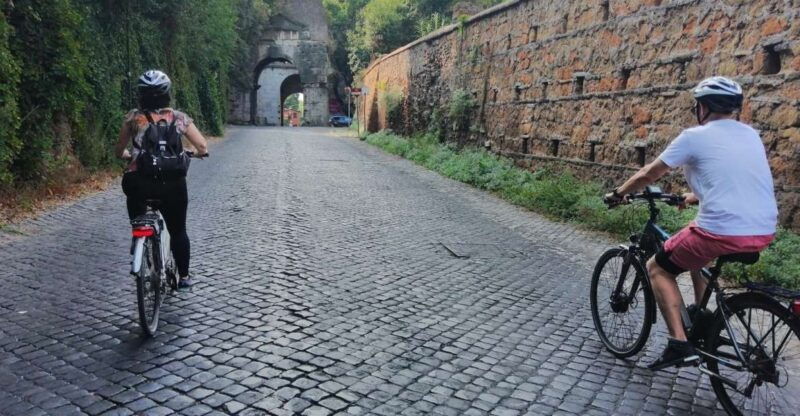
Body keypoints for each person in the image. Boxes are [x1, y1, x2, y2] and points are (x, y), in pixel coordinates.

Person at [604, 76, 778, 370]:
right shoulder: (750, 135)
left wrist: (619, 193)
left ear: (704, 107)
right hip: (762, 230)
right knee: (695, 251)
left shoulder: (694, 137)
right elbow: (732, 179)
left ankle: (679, 344)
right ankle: (702, 314)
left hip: (722, 231)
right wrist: (694, 196)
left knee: (657, 267)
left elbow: (650, 173)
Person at [115, 70, 208, 289]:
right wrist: (196, 153)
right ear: (167, 94)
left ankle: (139, 238)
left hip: (139, 182)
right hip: (172, 185)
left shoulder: (133, 118)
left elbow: (119, 149)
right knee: (178, 230)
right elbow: (202, 146)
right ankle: (184, 277)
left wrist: (126, 155)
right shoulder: (179, 118)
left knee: (137, 209)